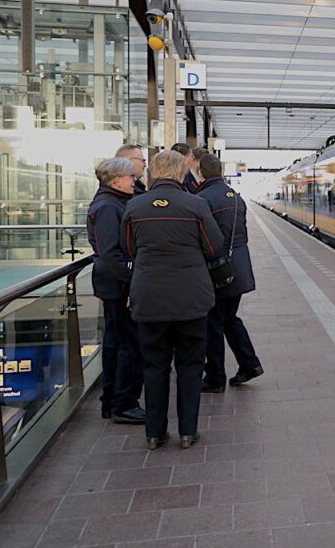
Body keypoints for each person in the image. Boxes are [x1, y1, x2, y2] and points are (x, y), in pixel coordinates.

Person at [121, 150, 224, 450]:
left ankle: (154, 433)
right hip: (191, 298)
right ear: (182, 174)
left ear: (153, 173)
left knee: (154, 366)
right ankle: (188, 433)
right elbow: (213, 246)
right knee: (191, 365)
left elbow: (128, 249)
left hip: (149, 297)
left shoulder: (134, 206)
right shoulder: (196, 204)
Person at [194, 153, 264, 392]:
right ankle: (249, 363)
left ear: (200, 172)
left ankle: (215, 378)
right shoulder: (235, 197)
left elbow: (207, 240)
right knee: (229, 318)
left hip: (217, 270)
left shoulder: (202, 198)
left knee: (213, 322)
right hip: (239, 266)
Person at [87, 158, 145, 424]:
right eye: (130, 176)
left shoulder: (110, 202)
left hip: (113, 284)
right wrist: (132, 281)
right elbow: (111, 253)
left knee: (116, 343)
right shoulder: (109, 207)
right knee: (129, 345)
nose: (134, 179)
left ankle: (111, 400)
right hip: (118, 285)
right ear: (115, 179)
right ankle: (124, 403)